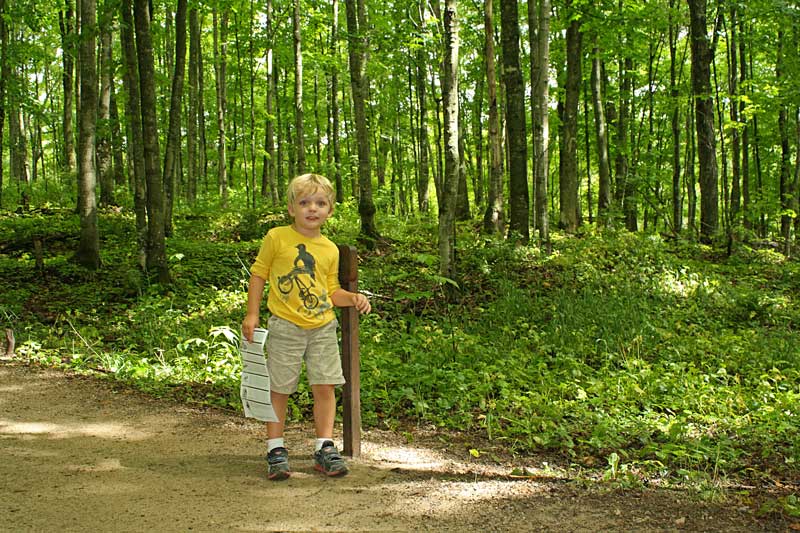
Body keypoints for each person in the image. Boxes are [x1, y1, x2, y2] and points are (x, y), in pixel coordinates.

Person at [242, 173, 371, 480]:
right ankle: (275, 449)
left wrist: (353, 297)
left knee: (325, 385)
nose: (312, 209)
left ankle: (324, 448)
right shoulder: (277, 237)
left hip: (322, 327)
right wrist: (252, 314)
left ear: (330, 210)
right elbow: (258, 275)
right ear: (291, 208)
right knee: (279, 387)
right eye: (304, 203)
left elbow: (330, 290)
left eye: (320, 203)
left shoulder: (329, 249)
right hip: (285, 325)